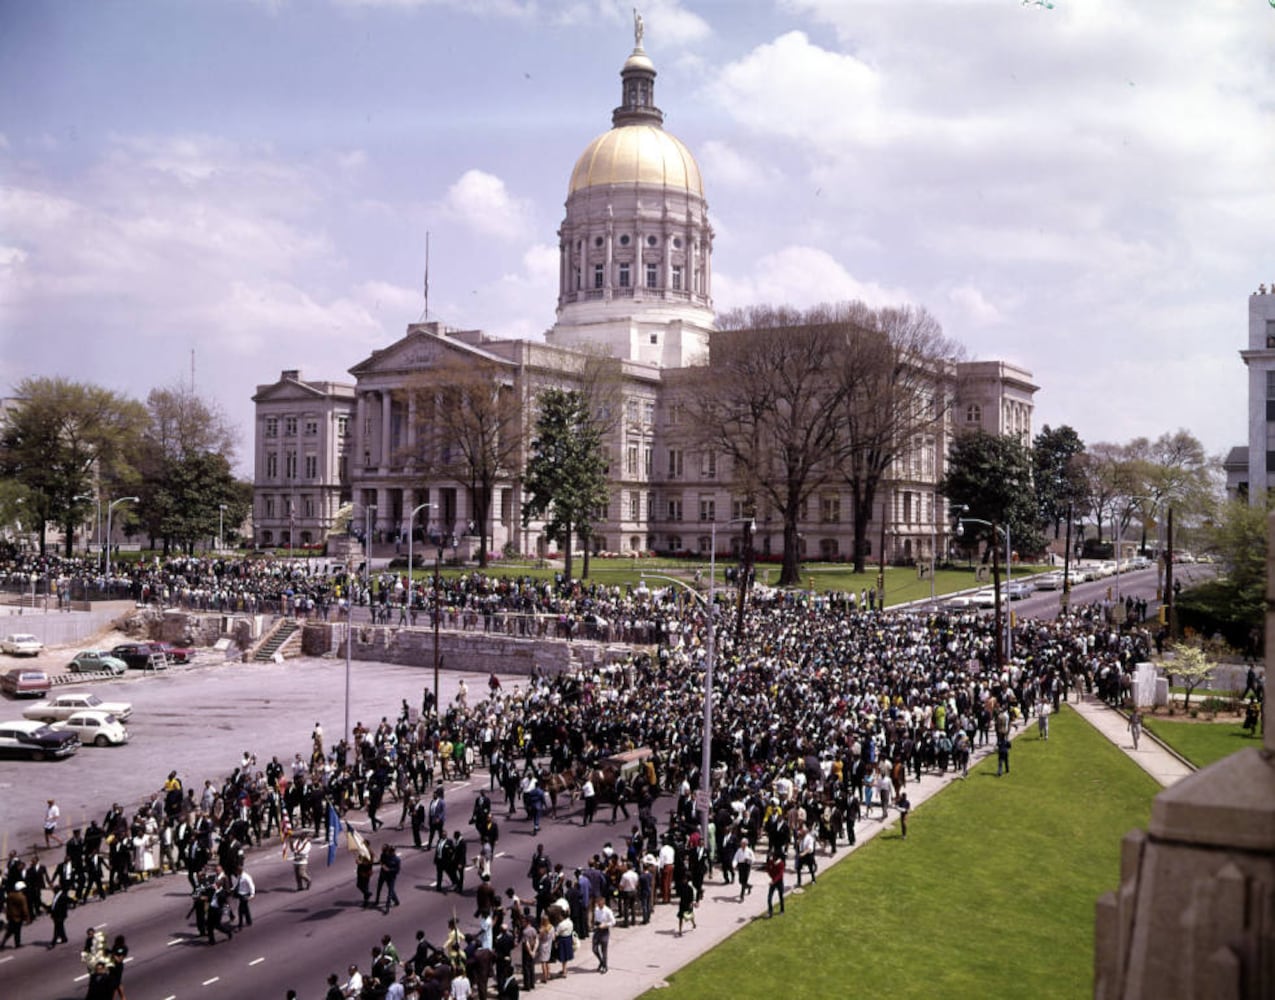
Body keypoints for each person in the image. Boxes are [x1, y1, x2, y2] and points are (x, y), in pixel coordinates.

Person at [1, 881, 29, 948]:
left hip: (11, 916)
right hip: (18, 917)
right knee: (17, 931)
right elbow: (25, 909)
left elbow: (7, 905)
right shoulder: (22, 897)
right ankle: (17, 944)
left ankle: (3, 943)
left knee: (10, 931)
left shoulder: (10, 895)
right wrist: (27, 918)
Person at [590, 895, 614, 973]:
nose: (599, 905)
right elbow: (595, 918)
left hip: (604, 930)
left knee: (604, 949)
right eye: (598, 903)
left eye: (600, 904)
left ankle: (605, 966)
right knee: (594, 948)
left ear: (603, 903)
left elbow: (613, 921)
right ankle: (601, 961)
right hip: (597, 930)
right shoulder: (596, 909)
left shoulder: (608, 911)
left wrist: (605, 925)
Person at [675, 871, 696, 936]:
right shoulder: (681, 886)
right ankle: (680, 931)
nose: (683, 880)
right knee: (681, 918)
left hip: (688, 904)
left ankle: (693, 923)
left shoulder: (690, 888)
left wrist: (691, 903)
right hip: (682, 904)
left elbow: (692, 896)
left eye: (685, 879)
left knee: (689, 916)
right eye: (683, 879)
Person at [764, 850, 785, 918]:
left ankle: (782, 910)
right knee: (769, 898)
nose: (772, 857)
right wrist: (768, 864)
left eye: (773, 855)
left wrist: (773, 881)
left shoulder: (781, 863)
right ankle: (770, 912)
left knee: (781, 896)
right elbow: (768, 870)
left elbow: (780, 874)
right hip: (773, 881)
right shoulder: (771, 862)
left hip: (779, 882)